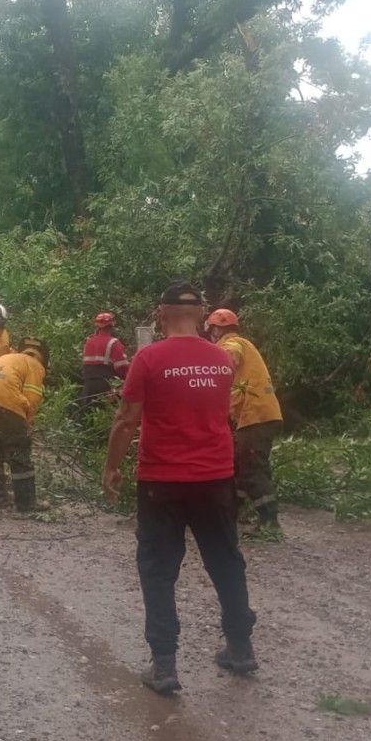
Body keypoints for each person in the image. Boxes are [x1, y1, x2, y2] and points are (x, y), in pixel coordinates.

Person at [102, 281, 258, 695]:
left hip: (162, 480)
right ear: (200, 313)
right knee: (226, 561)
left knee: (158, 569)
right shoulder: (223, 360)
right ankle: (241, 648)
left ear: (161, 314)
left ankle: (165, 664)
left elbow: (126, 419)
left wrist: (111, 467)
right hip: (216, 477)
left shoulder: (149, 358)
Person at [205, 308, 284, 535]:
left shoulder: (232, 344)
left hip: (255, 415)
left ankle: (270, 523)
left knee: (252, 469)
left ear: (217, 329)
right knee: (238, 468)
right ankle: (231, 514)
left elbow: (230, 356)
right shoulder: (245, 343)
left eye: (211, 330)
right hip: (258, 414)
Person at [0, 337, 50, 513]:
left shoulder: (9, 358)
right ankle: (26, 503)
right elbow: (32, 399)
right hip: (6, 399)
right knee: (19, 449)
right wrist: (27, 426)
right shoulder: (34, 365)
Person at [75, 312, 129, 420]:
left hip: (88, 386)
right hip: (106, 386)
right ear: (112, 326)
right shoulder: (114, 343)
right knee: (108, 416)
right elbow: (122, 367)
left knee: (87, 416)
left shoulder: (89, 341)